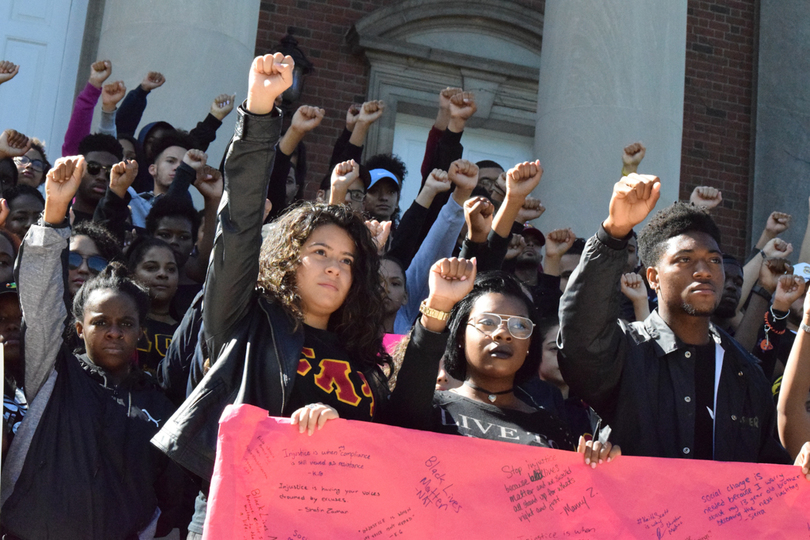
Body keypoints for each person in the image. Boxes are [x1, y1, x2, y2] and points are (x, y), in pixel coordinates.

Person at [152, 53, 399, 539]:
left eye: (348, 260)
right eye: (321, 251)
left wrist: (338, 430)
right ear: (287, 260)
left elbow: (391, 448)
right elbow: (239, 226)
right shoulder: (243, 321)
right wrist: (260, 112)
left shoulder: (364, 353)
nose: (334, 265)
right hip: (240, 513)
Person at [558, 173, 802, 466]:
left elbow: (766, 469)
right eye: (684, 260)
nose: (704, 271)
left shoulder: (744, 371)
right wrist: (613, 233)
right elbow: (580, 336)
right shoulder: (624, 351)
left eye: (713, 260)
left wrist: (800, 471)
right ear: (653, 277)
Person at [0, 155, 184, 538]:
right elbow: (39, 301)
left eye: (125, 324)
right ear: (80, 328)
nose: (114, 332)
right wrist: (53, 214)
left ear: (140, 332)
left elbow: (171, 500)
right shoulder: (53, 373)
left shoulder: (159, 404)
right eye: (101, 322)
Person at [391, 267, 619, 465]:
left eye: (519, 325)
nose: (503, 334)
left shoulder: (552, 428)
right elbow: (419, 360)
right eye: (488, 322)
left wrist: (592, 468)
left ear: (531, 343)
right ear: (461, 335)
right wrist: (440, 301)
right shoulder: (429, 408)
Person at [127, 236, 180, 375]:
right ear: (131, 276)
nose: (163, 274)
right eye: (151, 268)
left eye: (171, 269)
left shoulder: (188, 330)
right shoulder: (120, 324)